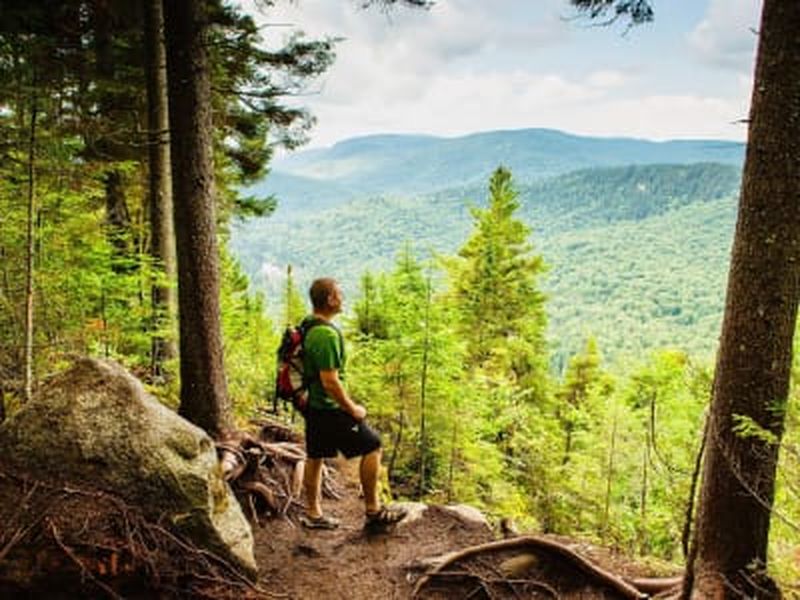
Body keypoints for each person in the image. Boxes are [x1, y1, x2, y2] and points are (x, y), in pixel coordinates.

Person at [300, 277, 407, 530]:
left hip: (313, 406)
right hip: (330, 409)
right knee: (373, 445)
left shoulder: (309, 326)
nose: (343, 298)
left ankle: (314, 515)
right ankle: (374, 512)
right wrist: (353, 409)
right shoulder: (326, 335)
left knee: (315, 456)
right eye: (339, 294)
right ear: (330, 299)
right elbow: (330, 381)